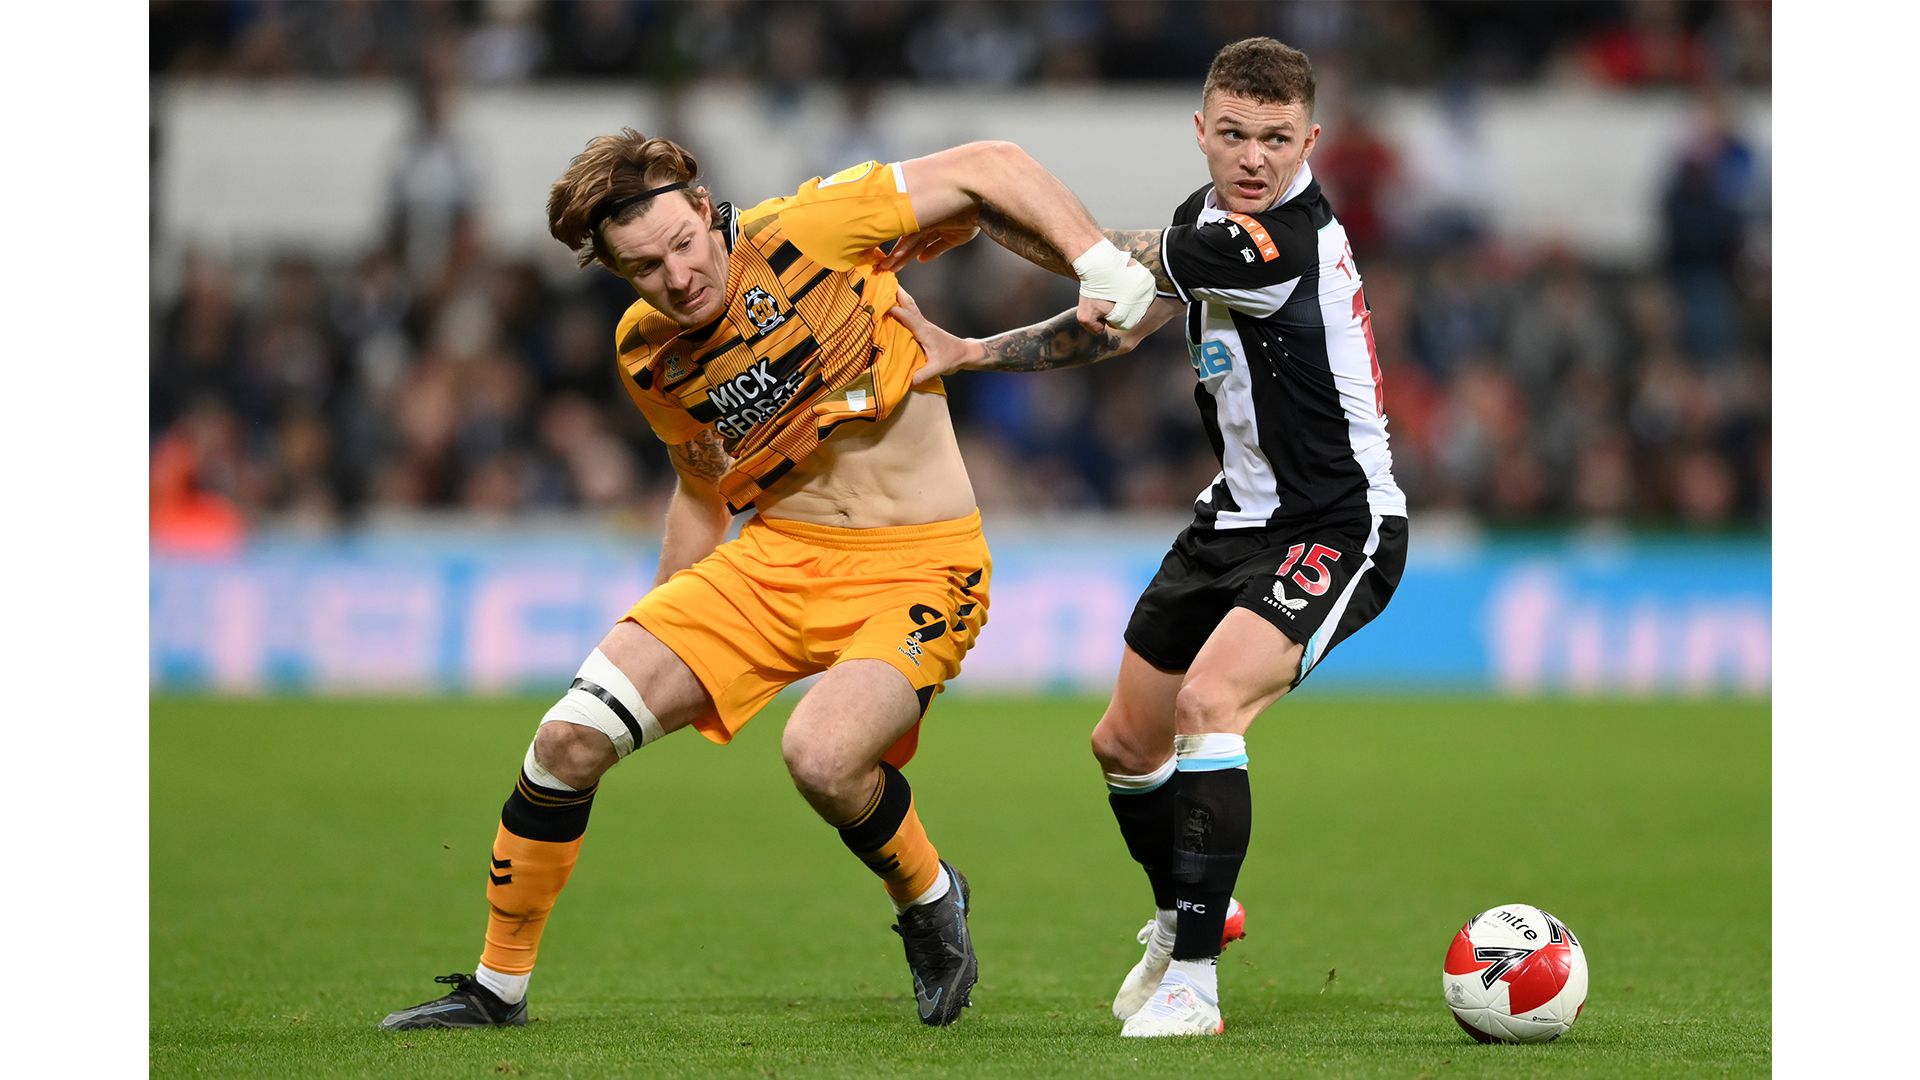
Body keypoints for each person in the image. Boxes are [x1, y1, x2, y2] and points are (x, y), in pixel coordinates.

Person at [380, 130, 1157, 1030]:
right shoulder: (648, 353)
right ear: (616, 273)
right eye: (644, 267)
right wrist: (663, 615)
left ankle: (930, 896)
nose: (676, 277)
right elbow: (701, 485)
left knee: (823, 759)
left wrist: (1097, 261)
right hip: (772, 561)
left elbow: (991, 164)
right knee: (568, 742)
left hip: (920, 563)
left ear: (707, 211)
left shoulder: (814, 227)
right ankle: (496, 989)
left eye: (683, 244)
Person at [886, 37, 1408, 1037]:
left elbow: (1100, 257)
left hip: (1339, 524)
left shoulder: (1282, 238)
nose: (1255, 157)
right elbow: (1111, 319)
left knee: (1211, 703)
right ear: (1202, 130)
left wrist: (981, 204)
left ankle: (1195, 985)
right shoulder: (1205, 217)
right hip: (1233, 517)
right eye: (1236, 134)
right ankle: (1189, 911)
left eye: (1278, 139)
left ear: (1312, 139)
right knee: (1125, 742)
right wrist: (968, 352)